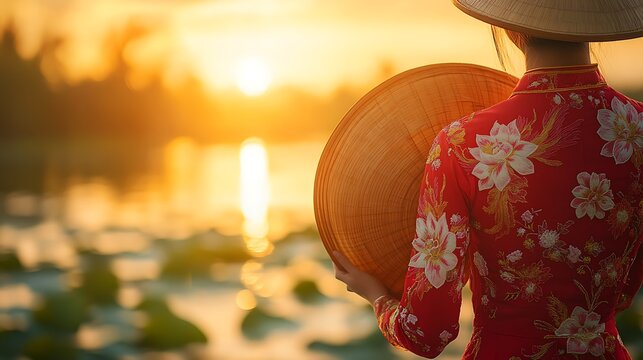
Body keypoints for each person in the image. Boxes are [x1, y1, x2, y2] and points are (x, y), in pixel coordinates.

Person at [333, 1, 643, 359]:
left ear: (511, 27)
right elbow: (623, 294)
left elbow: (427, 332)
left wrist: (378, 298)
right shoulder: (636, 130)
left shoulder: (465, 144)